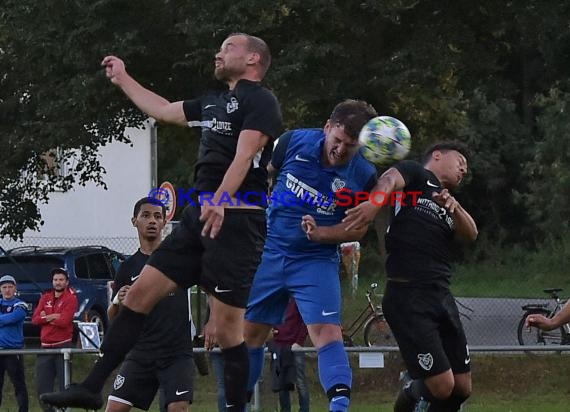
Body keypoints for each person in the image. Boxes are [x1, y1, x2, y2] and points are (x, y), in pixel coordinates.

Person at [41, 32, 282, 412]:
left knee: (226, 331)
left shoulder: (262, 101)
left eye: (228, 48)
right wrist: (123, 77)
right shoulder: (214, 102)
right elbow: (164, 108)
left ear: (253, 59)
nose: (218, 53)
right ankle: (90, 388)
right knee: (137, 295)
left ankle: (237, 407)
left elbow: (245, 153)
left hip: (235, 222)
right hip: (198, 217)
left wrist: (221, 200)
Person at [244, 99, 379, 412]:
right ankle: (237, 404)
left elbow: (357, 230)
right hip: (270, 253)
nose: (340, 151)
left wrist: (322, 234)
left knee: (327, 334)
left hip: (315, 261)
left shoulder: (364, 175)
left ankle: (339, 407)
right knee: (250, 334)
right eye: (337, 141)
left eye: (350, 146)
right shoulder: (292, 142)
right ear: (327, 128)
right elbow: (268, 173)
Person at [343, 142, 477, 412]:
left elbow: (471, 234)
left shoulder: (447, 199)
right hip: (408, 296)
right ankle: (410, 388)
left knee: (461, 388)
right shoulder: (416, 174)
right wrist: (373, 204)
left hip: (441, 295)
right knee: (441, 386)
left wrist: (456, 208)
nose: (464, 168)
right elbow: (389, 180)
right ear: (437, 155)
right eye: (460, 160)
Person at [104, 197, 194, 412]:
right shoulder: (127, 267)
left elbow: (211, 285)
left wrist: (214, 321)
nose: (152, 221)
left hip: (176, 352)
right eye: (146, 215)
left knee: (177, 408)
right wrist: (118, 301)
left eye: (157, 216)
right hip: (141, 351)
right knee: (114, 408)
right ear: (134, 221)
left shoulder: (180, 257)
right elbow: (113, 317)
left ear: (164, 222)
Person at [32, 268, 78, 412]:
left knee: (64, 387)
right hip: (45, 348)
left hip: (63, 346)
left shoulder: (71, 298)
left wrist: (45, 318)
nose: (58, 283)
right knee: (42, 388)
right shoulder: (45, 297)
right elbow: (35, 320)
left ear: (67, 282)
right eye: (55, 280)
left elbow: (65, 321)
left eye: (61, 280)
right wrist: (52, 317)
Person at [269, 298, 310, 412]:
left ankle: (304, 409)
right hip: (278, 346)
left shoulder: (297, 299)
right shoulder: (274, 298)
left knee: (300, 381)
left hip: (294, 346)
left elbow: (305, 321)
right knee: (281, 383)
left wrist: (299, 342)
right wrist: (270, 332)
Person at [0, 274, 29, 412]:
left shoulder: (20, 304)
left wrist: (3, 320)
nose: (7, 290)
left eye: (10, 287)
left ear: (15, 288)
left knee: (18, 384)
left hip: (13, 351)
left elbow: (14, 318)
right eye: (4, 287)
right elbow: (7, 319)